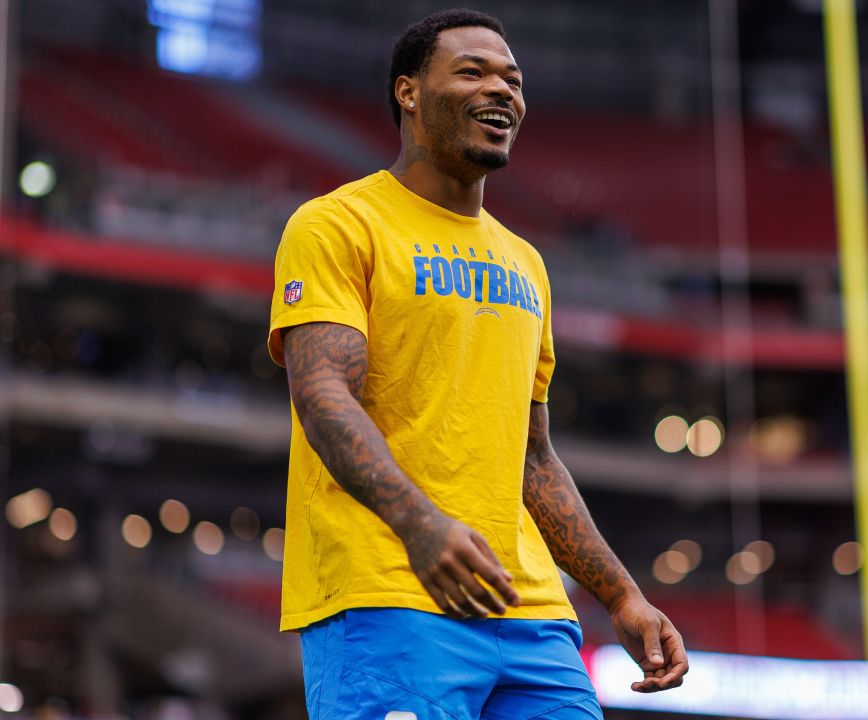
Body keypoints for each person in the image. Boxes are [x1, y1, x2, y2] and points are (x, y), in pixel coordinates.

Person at [267, 9, 688, 720]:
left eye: (513, 80)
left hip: (529, 613)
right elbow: (323, 397)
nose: (502, 90)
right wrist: (421, 525)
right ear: (408, 92)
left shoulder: (526, 262)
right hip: (388, 592)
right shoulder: (338, 225)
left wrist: (620, 593)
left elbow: (534, 457)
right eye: (473, 71)